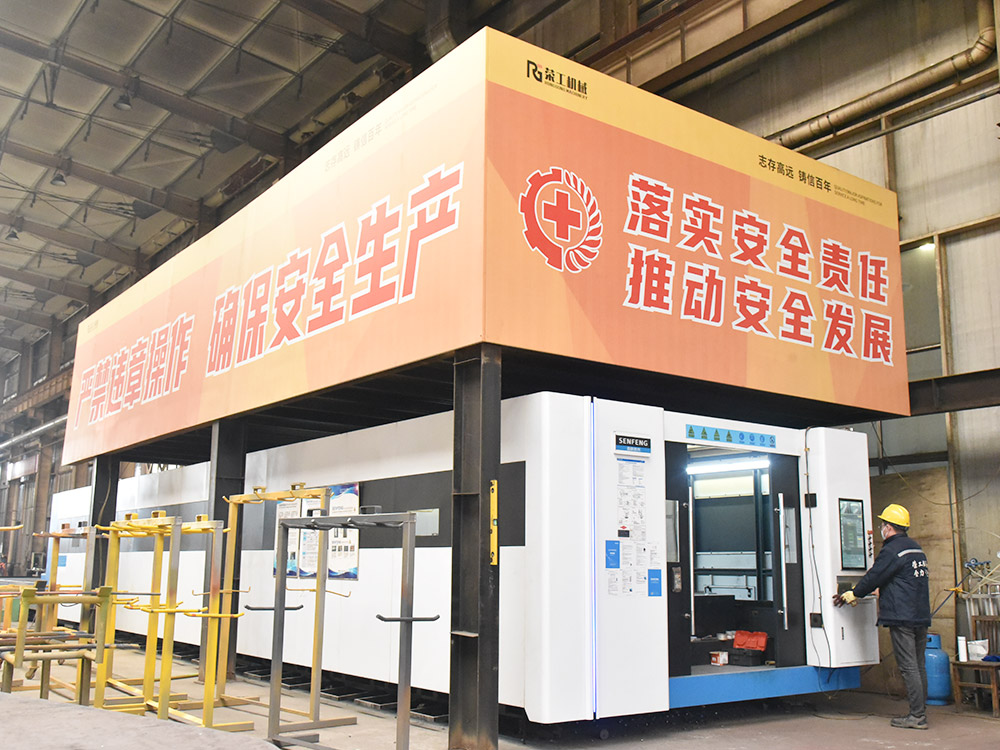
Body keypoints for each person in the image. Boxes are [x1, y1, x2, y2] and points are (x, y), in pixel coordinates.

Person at [833, 503, 931, 730]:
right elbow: (899, 580)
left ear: (889, 527)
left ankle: (917, 716)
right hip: (920, 615)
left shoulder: (892, 550)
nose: (882, 529)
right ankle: (920, 711)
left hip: (902, 617)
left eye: (883, 525)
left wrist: (853, 593)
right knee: (919, 665)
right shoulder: (916, 549)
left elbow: (874, 576)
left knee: (909, 667)